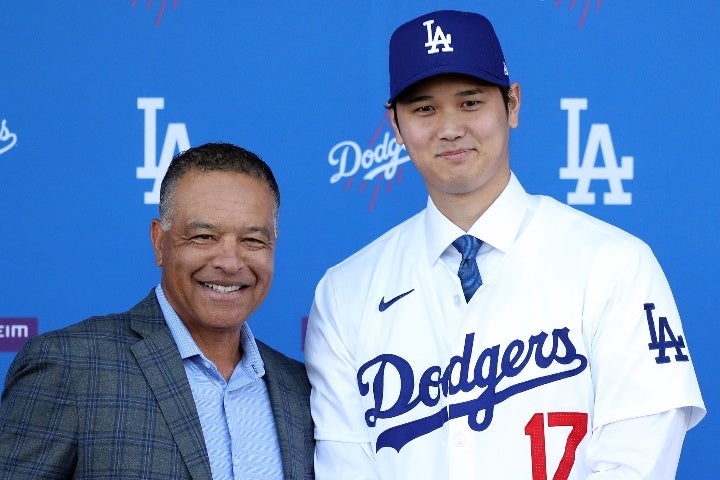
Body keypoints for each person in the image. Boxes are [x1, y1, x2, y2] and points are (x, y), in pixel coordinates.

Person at [304, 10, 705, 479]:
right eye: (424, 109)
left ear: (511, 104)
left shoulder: (613, 262)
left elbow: (638, 458)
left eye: (471, 102)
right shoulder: (344, 292)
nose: (450, 127)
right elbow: (346, 466)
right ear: (395, 125)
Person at [0, 143, 314, 479]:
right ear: (158, 242)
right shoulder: (70, 365)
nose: (229, 262)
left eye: (252, 241)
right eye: (204, 236)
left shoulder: (301, 388)